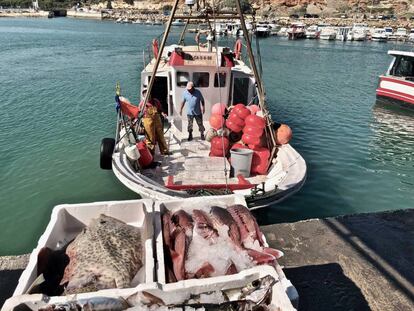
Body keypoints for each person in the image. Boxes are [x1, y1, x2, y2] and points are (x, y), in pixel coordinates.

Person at [139, 89, 170, 156]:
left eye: (149, 94)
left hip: (157, 120)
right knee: (150, 138)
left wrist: (163, 113)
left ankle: (165, 151)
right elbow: (139, 113)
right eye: (146, 95)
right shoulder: (142, 104)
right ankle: (151, 154)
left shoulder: (155, 101)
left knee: (161, 136)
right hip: (148, 121)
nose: (148, 96)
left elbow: (160, 109)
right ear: (144, 96)